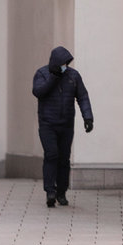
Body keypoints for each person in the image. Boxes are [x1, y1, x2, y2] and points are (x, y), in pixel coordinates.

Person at [32, 46, 94, 207]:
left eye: (67, 63)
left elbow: (82, 96)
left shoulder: (73, 76)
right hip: (47, 124)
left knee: (64, 159)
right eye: (62, 63)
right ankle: (50, 191)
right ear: (55, 63)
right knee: (51, 154)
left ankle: (61, 192)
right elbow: (38, 92)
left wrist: (88, 117)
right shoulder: (42, 74)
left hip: (66, 125)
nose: (65, 66)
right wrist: (53, 78)